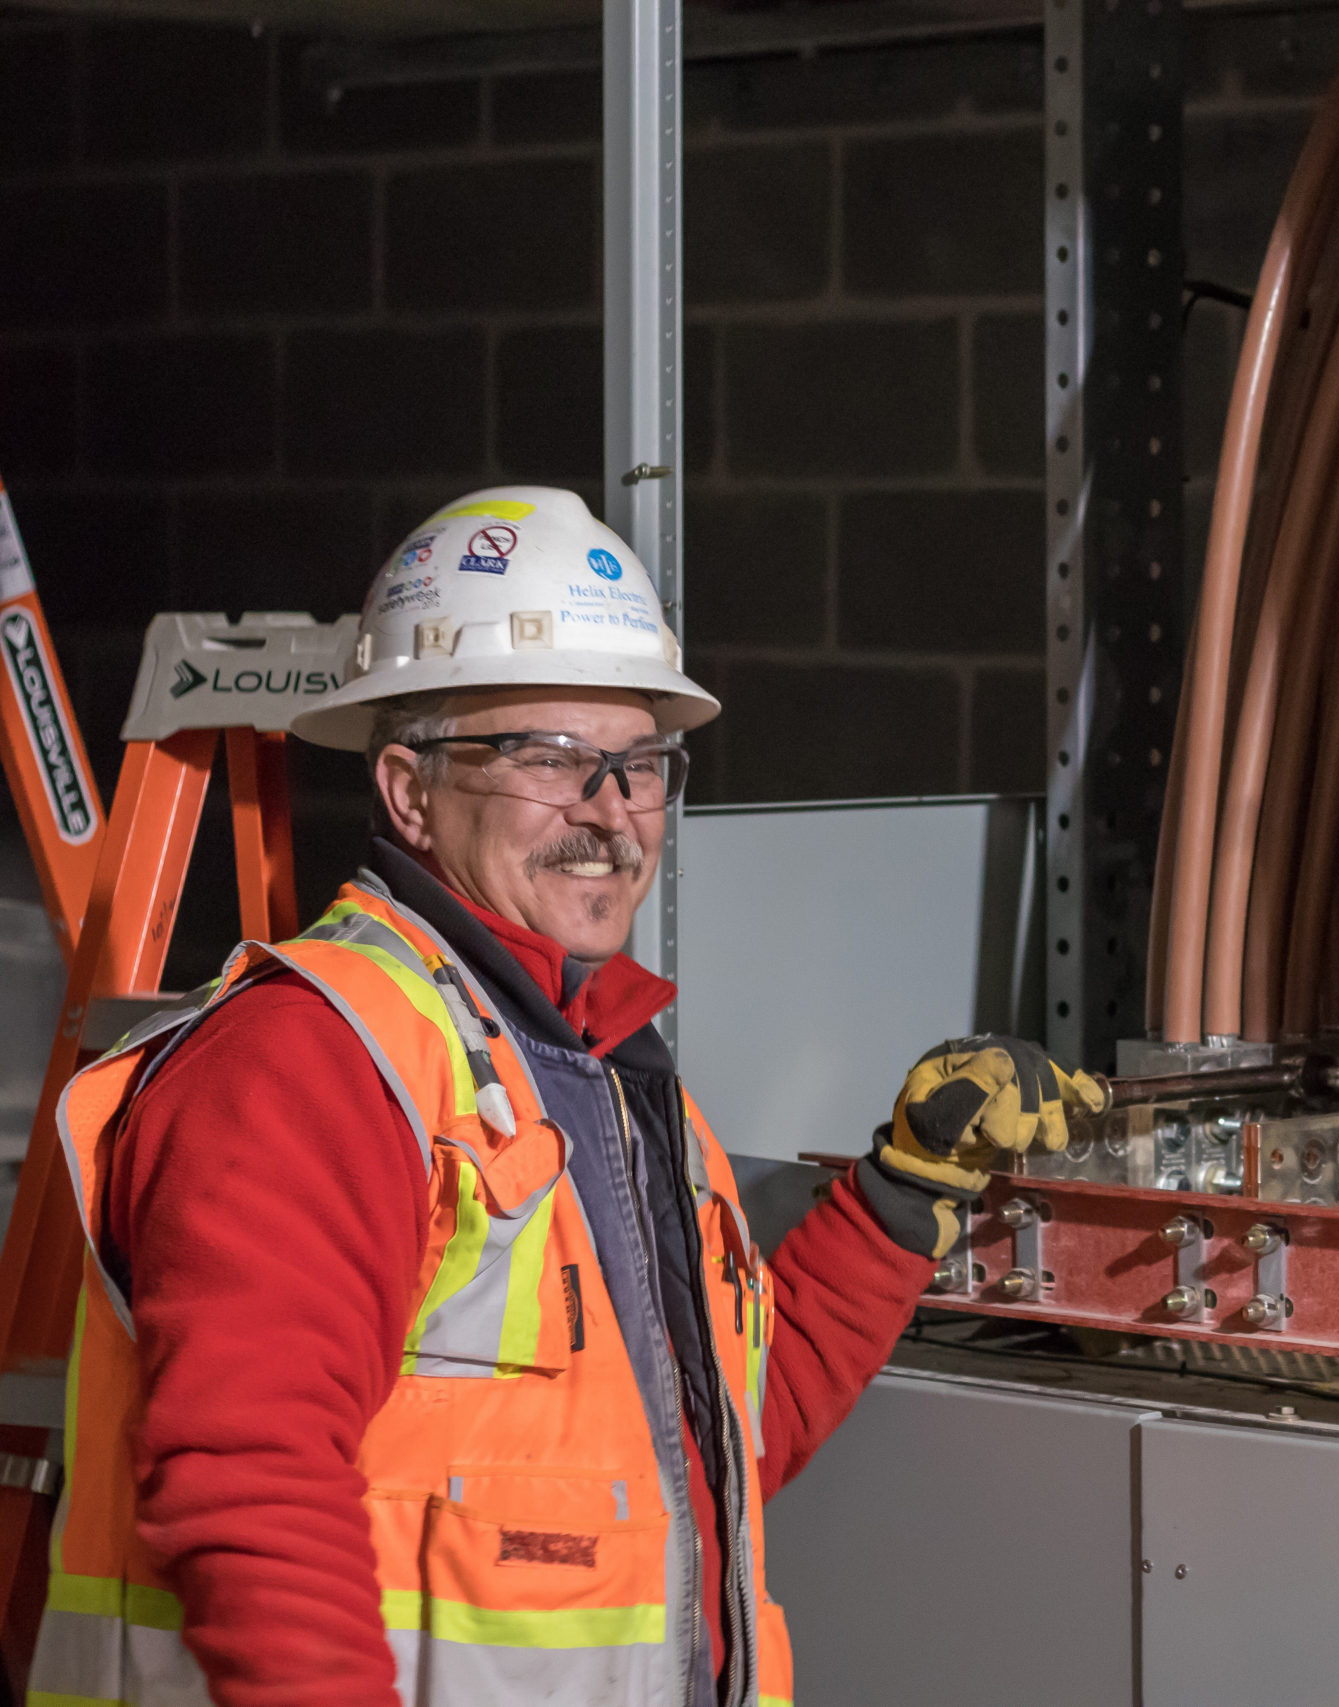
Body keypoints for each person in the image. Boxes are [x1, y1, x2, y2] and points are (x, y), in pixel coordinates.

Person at [28, 486, 1100, 1707]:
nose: (608, 812)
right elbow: (251, 1486)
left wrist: (906, 1193)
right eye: (549, 758)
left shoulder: (607, 1084)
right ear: (407, 791)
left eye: (639, 765)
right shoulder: (315, 1060)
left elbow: (718, 1452)